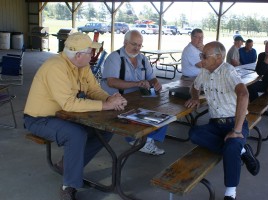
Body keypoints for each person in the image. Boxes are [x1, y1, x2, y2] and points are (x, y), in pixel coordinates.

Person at [23, 32, 128, 200]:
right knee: (76, 135)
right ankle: (69, 186)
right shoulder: (55, 67)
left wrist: (109, 99)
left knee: (105, 130)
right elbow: (69, 104)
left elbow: (93, 89)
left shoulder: (82, 66)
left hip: (65, 116)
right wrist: (105, 105)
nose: (93, 56)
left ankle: (67, 165)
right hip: (40, 119)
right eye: (90, 53)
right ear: (79, 55)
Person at [185, 41, 260, 200]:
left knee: (231, 146)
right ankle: (243, 151)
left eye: (204, 56)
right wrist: (195, 97)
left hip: (235, 122)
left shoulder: (228, 71)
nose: (201, 58)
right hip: (215, 124)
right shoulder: (205, 71)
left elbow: (244, 94)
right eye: (201, 55)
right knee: (194, 133)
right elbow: (194, 86)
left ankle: (230, 193)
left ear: (218, 57)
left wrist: (237, 130)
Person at [101, 30, 166, 156]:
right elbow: (112, 82)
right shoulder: (114, 58)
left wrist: (155, 83)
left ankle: (145, 139)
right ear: (125, 42)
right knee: (151, 112)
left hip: (138, 97)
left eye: (140, 45)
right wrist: (137, 84)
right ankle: (140, 140)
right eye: (134, 44)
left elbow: (151, 77)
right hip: (118, 99)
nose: (137, 48)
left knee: (163, 110)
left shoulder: (142, 58)